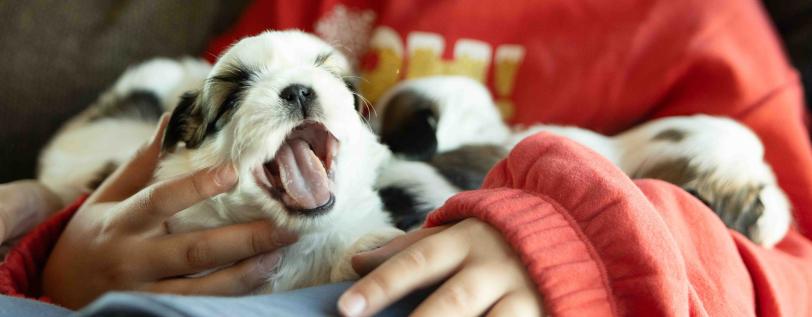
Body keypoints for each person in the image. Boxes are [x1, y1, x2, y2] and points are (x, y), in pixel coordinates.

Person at [3, 0, 812, 316]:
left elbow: (793, 269)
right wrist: (63, 251)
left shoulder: (702, 27)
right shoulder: (329, 12)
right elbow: (198, 134)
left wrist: (585, 255)